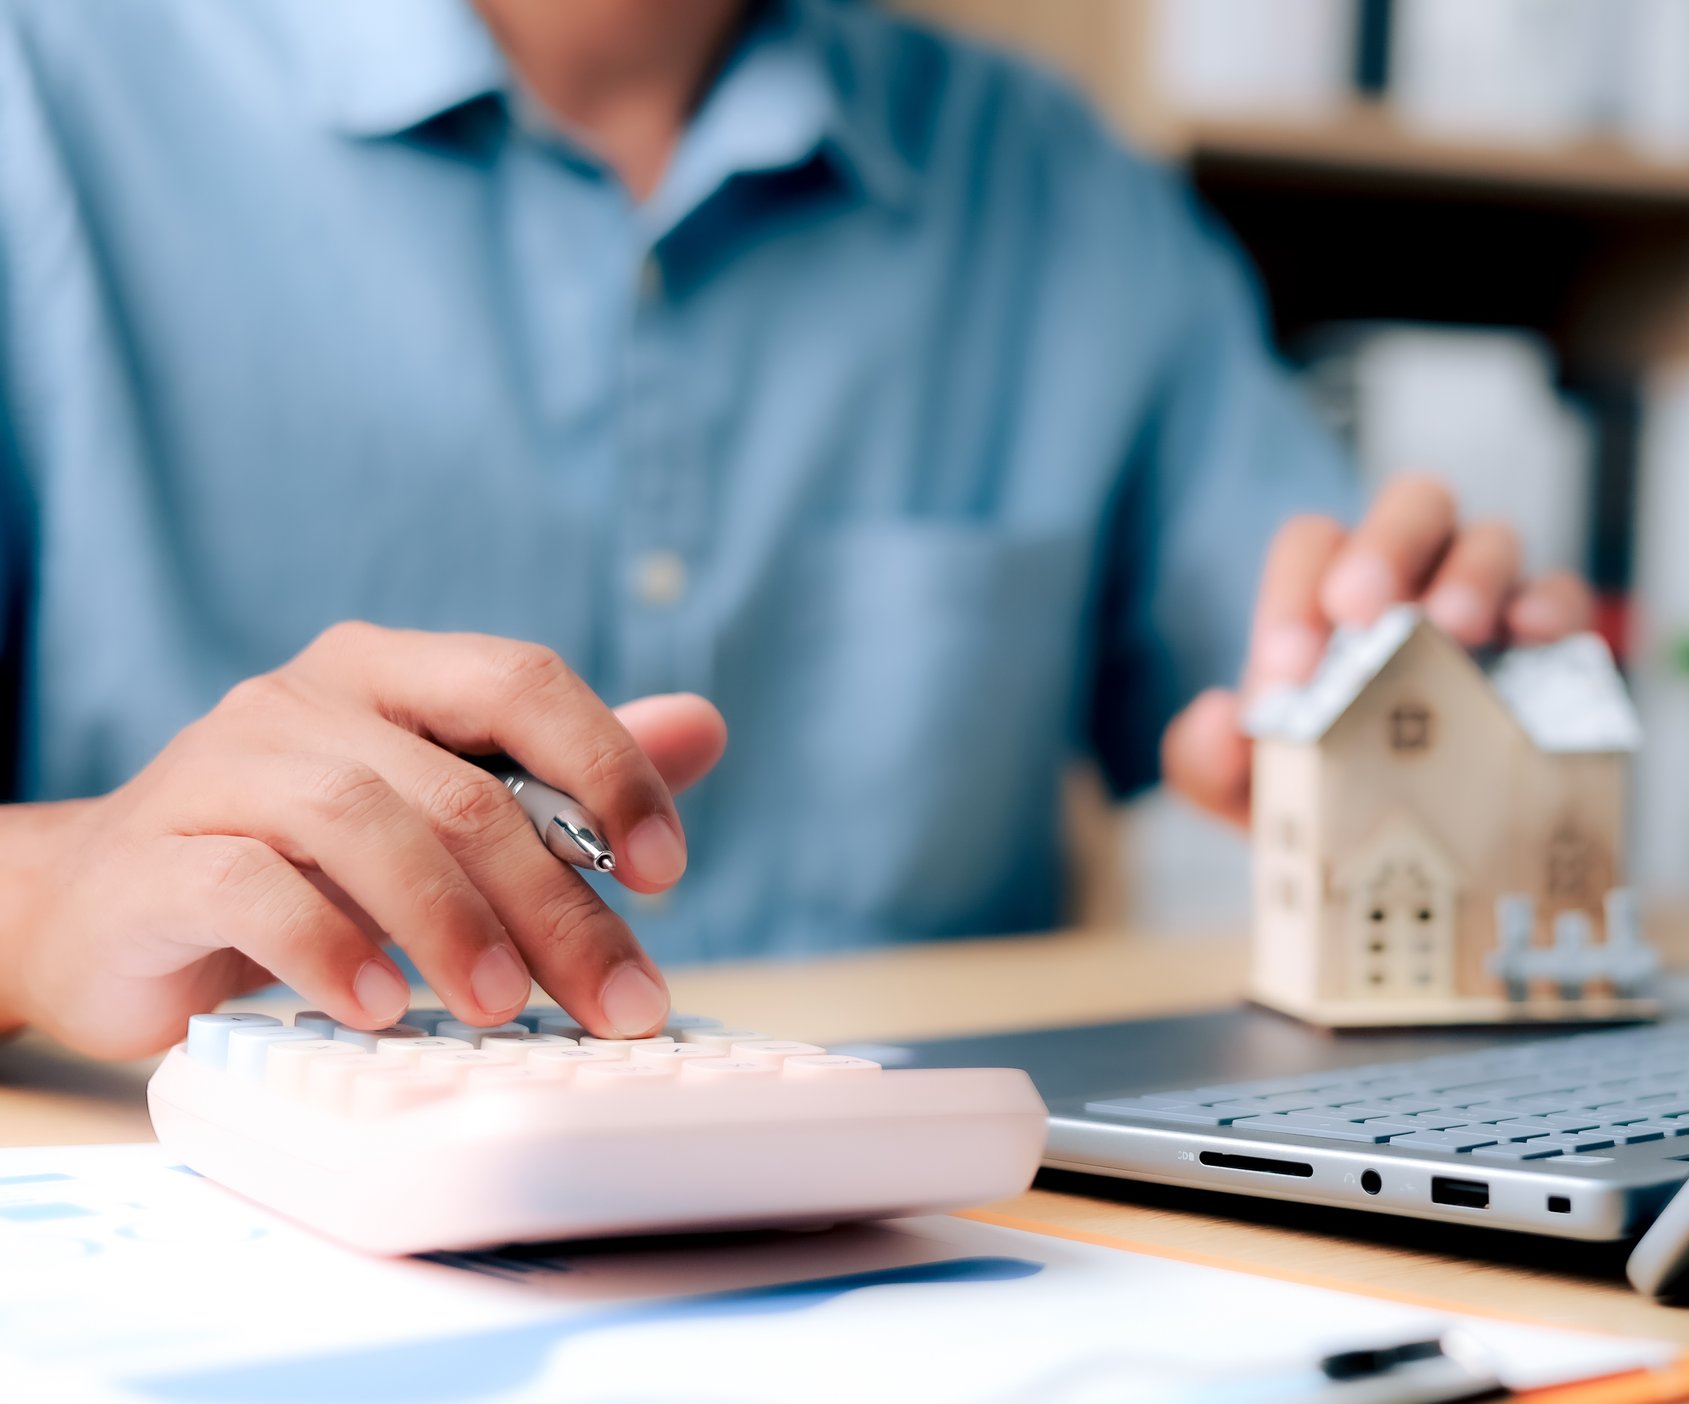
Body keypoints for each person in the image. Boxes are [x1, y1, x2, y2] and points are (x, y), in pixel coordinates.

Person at [0, 0, 1593, 1059]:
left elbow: (1303, 642)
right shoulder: (45, 102)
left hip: (954, 1286)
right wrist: (54, 891)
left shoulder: (1056, 188)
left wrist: (1414, 670)